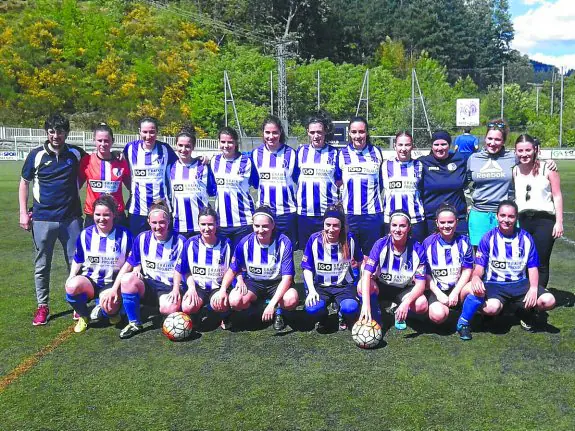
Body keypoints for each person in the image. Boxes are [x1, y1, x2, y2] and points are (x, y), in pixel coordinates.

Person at [19, 113, 86, 326]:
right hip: (42, 219)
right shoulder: (36, 155)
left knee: (75, 264)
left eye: (59, 131)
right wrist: (23, 212)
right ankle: (43, 306)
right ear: (47, 133)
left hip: (71, 219)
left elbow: (96, 162)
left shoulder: (75, 153)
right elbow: (24, 183)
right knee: (42, 265)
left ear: (66, 132)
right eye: (51, 131)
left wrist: (115, 154)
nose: (55, 135)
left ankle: (77, 305)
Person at [455, 200, 556, 340]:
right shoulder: (488, 238)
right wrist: (477, 277)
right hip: (495, 285)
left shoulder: (526, 238)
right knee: (492, 308)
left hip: (520, 284)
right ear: (497, 216)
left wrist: (533, 288)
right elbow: (479, 268)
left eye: (511, 216)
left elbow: (532, 267)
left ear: (516, 218)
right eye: (503, 215)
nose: (506, 220)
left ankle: (523, 312)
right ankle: (476, 316)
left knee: (548, 300)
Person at [467, 119, 558, 247]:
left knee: (507, 256)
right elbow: (465, 183)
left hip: (505, 216)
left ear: (503, 141)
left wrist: (547, 161)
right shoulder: (473, 159)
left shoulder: (512, 158)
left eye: (497, 140)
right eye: (490, 138)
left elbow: (528, 158)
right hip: (479, 216)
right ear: (485, 138)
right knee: (480, 258)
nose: (493, 143)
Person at [216, 206, 299, 331]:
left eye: (265, 226)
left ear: (273, 225)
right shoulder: (245, 242)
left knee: (291, 299)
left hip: (277, 283)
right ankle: (256, 311)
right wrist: (223, 289)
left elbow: (287, 278)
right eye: (257, 226)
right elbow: (233, 269)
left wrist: (272, 305)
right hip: (254, 283)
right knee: (234, 300)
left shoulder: (283, 242)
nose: (260, 230)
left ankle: (279, 313)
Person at [117, 201, 186, 339]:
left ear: (168, 221)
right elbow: (129, 264)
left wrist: (179, 289)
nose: (158, 226)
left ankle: (169, 311)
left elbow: (187, 271)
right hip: (149, 285)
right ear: (148, 221)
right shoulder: (142, 238)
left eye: (162, 222)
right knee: (127, 279)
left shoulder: (181, 241)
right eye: (154, 222)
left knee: (168, 309)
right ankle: (134, 323)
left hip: (171, 288)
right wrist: (114, 289)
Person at [64, 195, 133, 333]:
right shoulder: (85, 234)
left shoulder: (125, 235)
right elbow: (78, 259)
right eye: (98, 214)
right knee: (71, 287)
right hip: (90, 281)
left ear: (114, 215)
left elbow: (130, 262)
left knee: (110, 309)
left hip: (112, 283)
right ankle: (84, 316)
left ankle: (111, 311)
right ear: (93, 214)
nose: (102, 219)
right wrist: (71, 276)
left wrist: (117, 288)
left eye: (106, 215)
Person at [358, 210, 428, 330]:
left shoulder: (418, 249)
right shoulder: (380, 244)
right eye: (394, 225)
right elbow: (366, 274)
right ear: (389, 226)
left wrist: (406, 303)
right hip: (382, 286)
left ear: (409, 227)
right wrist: (366, 304)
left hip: (403, 289)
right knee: (361, 286)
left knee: (421, 304)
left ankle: (398, 312)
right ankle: (376, 316)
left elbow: (421, 284)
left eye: (402, 226)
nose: (397, 229)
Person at [513, 134, 564, 289]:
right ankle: (525, 298)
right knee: (523, 260)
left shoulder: (547, 168)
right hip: (522, 220)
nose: (524, 154)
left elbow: (557, 195)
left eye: (528, 150)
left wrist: (559, 222)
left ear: (535, 149)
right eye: (520, 151)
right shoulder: (515, 170)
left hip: (544, 221)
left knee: (541, 261)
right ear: (515, 152)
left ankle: (538, 298)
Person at [302, 206, 362, 331]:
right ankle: (323, 317)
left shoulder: (349, 239)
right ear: (323, 224)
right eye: (327, 224)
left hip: (344, 286)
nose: (331, 229)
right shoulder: (314, 239)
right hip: (321, 286)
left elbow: (361, 261)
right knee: (312, 308)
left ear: (341, 226)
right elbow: (307, 268)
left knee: (350, 308)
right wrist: (311, 290)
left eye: (335, 225)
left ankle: (342, 314)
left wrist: (360, 282)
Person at [174, 207, 233, 329]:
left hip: (218, 288)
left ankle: (224, 315)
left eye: (210, 224)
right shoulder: (190, 243)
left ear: (217, 224)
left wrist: (224, 289)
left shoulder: (226, 243)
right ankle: (197, 313)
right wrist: (191, 288)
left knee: (220, 303)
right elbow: (183, 270)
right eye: (203, 224)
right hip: (198, 288)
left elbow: (234, 269)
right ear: (198, 225)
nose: (207, 228)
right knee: (187, 306)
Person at [337, 116, 384, 256]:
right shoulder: (341, 154)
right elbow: (337, 182)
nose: (358, 136)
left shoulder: (377, 152)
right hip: (349, 215)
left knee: (371, 256)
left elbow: (381, 182)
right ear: (349, 133)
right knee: (349, 255)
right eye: (354, 132)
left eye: (361, 132)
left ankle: (369, 279)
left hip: (372, 215)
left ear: (367, 133)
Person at [123, 117, 177, 236]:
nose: (148, 136)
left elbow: (182, 164)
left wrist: (199, 159)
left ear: (157, 132)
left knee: (162, 246)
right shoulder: (130, 148)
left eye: (152, 132)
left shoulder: (165, 149)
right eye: (145, 132)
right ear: (139, 131)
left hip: (161, 209)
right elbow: (120, 165)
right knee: (138, 246)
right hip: (137, 210)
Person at [295, 112, 341, 249]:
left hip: (327, 213)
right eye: (313, 132)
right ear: (307, 132)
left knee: (329, 250)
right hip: (305, 213)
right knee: (308, 252)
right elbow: (293, 178)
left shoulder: (335, 153)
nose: (316, 136)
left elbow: (339, 181)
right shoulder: (300, 152)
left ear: (325, 132)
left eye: (319, 132)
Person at [251, 116, 299, 246]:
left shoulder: (292, 154)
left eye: (275, 132)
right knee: (265, 251)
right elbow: (255, 182)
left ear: (280, 133)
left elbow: (299, 180)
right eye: (267, 132)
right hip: (265, 213)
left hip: (287, 213)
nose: (271, 136)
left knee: (286, 251)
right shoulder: (255, 154)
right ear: (263, 133)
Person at [423, 204, 473, 326]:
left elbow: (467, 270)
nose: (446, 226)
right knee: (438, 315)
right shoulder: (428, 243)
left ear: (457, 222)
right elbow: (425, 274)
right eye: (443, 222)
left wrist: (455, 292)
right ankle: (418, 314)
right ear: (437, 223)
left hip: (458, 288)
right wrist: (439, 294)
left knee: (476, 288)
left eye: (450, 222)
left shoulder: (464, 241)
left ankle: (463, 322)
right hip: (437, 290)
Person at [211, 126, 256, 252]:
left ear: (236, 143)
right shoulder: (214, 161)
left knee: (243, 262)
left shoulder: (247, 161)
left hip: (244, 221)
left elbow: (258, 184)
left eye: (230, 142)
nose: (226, 145)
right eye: (223, 142)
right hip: (221, 222)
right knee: (223, 262)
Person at [78, 123, 131, 228]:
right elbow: (76, 186)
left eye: (106, 141)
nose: (103, 144)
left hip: (117, 215)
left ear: (112, 141)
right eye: (99, 140)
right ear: (94, 141)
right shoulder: (87, 161)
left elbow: (131, 187)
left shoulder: (121, 161)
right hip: (93, 215)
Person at [168, 126, 216, 238]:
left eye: (187, 146)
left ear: (193, 147)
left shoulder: (203, 166)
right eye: (180, 145)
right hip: (179, 226)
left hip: (201, 226)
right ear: (176, 145)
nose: (183, 149)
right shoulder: (170, 167)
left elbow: (213, 191)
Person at [419, 130, 469, 236]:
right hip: (431, 220)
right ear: (431, 146)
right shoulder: (422, 163)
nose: (440, 148)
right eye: (436, 144)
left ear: (449, 145)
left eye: (443, 144)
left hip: (457, 220)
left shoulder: (459, 160)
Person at [381, 131, 426, 242]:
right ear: (394, 146)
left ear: (412, 146)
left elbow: (423, 190)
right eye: (400, 145)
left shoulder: (419, 165)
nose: (403, 148)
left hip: (415, 219)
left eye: (407, 145)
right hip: (391, 220)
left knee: (415, 254)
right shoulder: (385, 165)